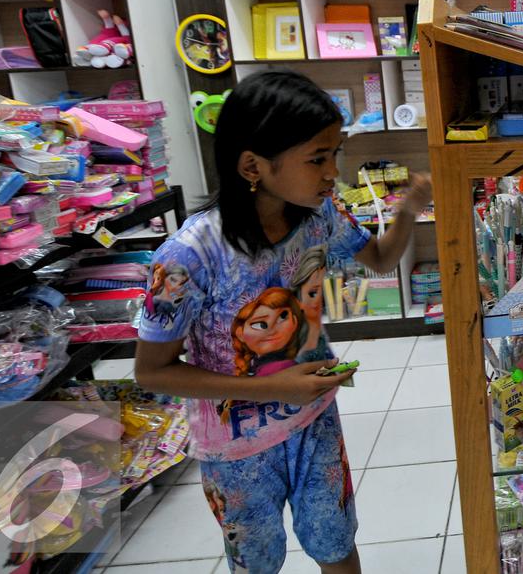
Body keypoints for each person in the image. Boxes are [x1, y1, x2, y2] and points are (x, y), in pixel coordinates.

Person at [135, 70, 433, 574]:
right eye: (317, 158)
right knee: (257, 560)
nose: (332, 172)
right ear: (253, 165)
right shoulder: (187, 257)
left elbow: (381, 260)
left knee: (335, 541)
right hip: (235, 449)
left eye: (335, 153)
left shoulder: (321, 216)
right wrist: (274, 388)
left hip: (314, 419)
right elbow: (152, 371)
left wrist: (407, 212)